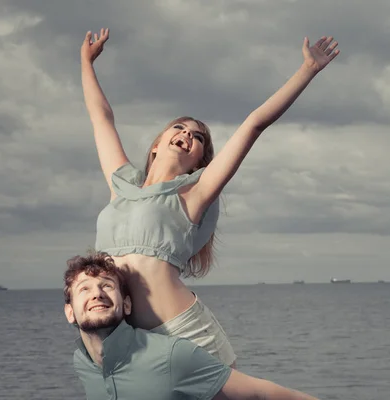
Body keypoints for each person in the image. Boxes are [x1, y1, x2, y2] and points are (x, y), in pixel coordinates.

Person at [81, 28, 340, 366]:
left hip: (184, 336)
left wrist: (308, 70)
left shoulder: (195, 193)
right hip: (125, 340)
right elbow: (101, 117)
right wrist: (86, 62)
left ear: (199, 161)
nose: (187, 135)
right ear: (157, 143)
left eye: (197, 137)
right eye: (179, 128)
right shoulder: (121, 185)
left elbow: (254, 124)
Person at [64, 252, 321, 400]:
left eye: (107, 285)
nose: (96, 294)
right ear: (70, 312)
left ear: (127, 305)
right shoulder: (82, 362)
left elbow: (263, 394)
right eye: (84, 289)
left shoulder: (172, 355)